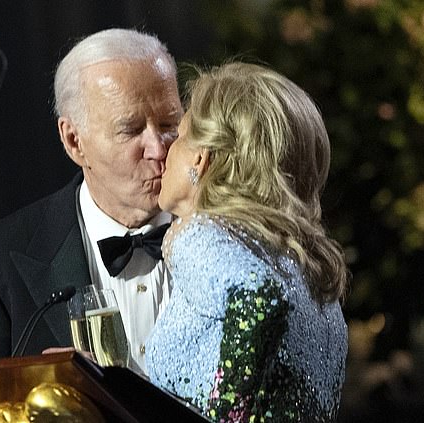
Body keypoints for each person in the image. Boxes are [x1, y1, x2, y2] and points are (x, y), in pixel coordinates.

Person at [0, 28, 183, 375]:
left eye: (169, 123)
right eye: (130, 130)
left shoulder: (237, 236)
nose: (159, 149)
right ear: (74, 141)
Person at [145, 62, 349, 422]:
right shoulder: (307, 270)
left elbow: (258, 297)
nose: (164, 151)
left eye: (177, 134)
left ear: (200, 158)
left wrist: (227, 413)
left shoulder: (203, 235)